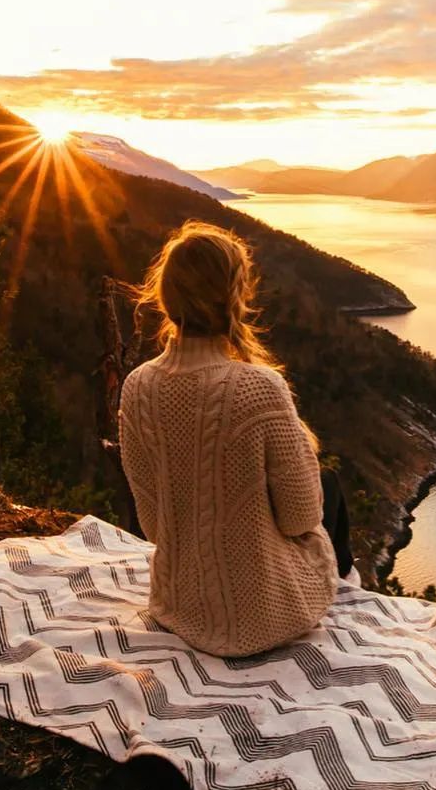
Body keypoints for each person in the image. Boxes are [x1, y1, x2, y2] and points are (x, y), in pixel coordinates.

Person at [118, 219, 355, 657]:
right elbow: (301, 516)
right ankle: (351, 590)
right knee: (329, 488)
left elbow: (152, 522)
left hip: (180, 603)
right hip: (266, 612)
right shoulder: (257, 387)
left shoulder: (138, 387)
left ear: (166, 295)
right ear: (235, 296)